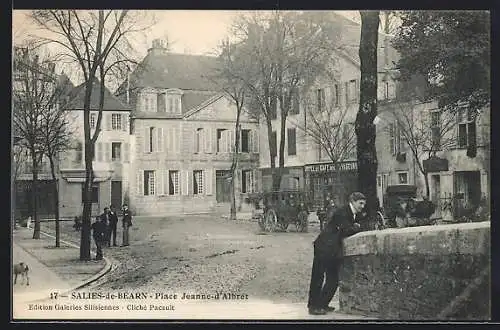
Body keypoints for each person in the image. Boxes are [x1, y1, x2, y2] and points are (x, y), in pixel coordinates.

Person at [307, 192, 366, 315]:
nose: (362, 206)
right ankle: (313, 307)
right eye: (360, 203)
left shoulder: (352, 213)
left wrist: (354, 226)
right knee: (318, 276)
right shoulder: (342, 212)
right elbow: (346, 230)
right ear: (353, 201)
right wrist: (356, 227)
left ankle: (322, 304)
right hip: (324, 247)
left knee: (333, 279)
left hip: (332, 249)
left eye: (363, 204)